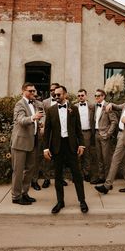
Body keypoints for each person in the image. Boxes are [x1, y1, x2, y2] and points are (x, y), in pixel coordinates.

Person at [43, 85, 88, 214]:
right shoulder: (51, 110)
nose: (56, 96)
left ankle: (82, 201)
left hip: (71, 146)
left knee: (77, 175)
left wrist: (81, 145)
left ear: (65, 94)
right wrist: (46, 148)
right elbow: (47, 131)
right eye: (55, 95)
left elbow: (78, 129)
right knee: (58, 176)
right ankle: (60, 202)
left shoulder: (73, 109)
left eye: (59, 94)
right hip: (57, 147)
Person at [95, 87, 125, 194]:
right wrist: (110, 104)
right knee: (123, 162)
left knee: (115, 159)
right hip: (120, 134)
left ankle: (107, 185)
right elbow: (117, 107)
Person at [11, 82, 44, 205]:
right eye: (30, 91)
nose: (33, 93)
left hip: (33, 141)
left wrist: (39, 124)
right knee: (18, 171)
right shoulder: (19, 104)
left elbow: (38, 117)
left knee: (30, 170)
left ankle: (24, 193)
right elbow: (20, 121)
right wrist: (33, 118)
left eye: (34, 91)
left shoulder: (35, 104)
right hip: (20, 143)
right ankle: (16, 196)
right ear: (23, 91)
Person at [41, 82, 69, 189]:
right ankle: (46, 179)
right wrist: (43, 126)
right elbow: (43, 114)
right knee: (47, 157)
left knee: (60, 158)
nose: (52, 92)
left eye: (55, 90)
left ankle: (60, 179)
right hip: (49, 133)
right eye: (51, 90)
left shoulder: (66, 102)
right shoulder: (45, 102)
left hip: (60, 135)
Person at [90, 89, 118, 185]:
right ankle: (101, 177)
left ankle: (108, 179)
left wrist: (108, 133)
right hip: (96, 134)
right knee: (99, 157)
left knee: (106, 158)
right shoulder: (96, 107)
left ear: (103, 96)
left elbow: (114, 121)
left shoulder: (108, 106)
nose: (96, 97)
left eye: (98, 95)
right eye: (95, 95)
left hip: (104, 135)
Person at [75, 89, 95, 182]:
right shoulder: (74, 106)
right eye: (79, 96)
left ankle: (87, 173)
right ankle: (77, 175)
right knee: (77, 154)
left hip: (87, 132)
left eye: (82, 95)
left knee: (86, 154)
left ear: (86, 96)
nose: (80, 97)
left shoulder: (92, 106)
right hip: (77, 133)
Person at [31, 90, 45, 191]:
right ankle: (25, 180)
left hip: (37, 135)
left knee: (35, 159)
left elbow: (43, 116)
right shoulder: (21, 104)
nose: (34, 95)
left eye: (35, 93)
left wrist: (42, 124)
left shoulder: (40, 104)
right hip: (27, 135)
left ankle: (34, 180)